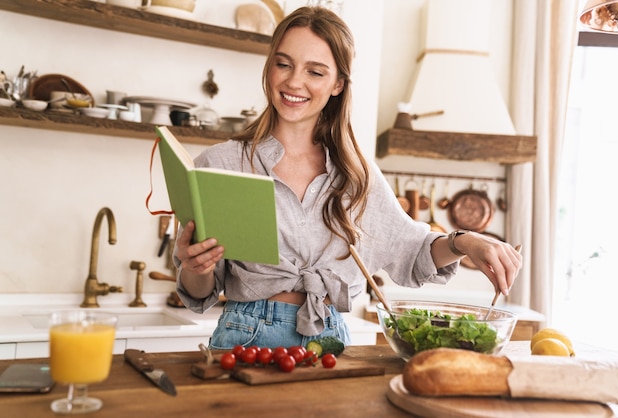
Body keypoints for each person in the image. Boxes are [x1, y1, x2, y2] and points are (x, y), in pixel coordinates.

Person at [174, 6, 522, 350]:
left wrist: (466, 241)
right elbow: (199, 293)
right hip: (244, 336)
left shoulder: (357, 176)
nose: (294, 81)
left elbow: (412, 251)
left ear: (338, 84)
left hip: (329, 341)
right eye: (283, 64)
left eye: (315, 72)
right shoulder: (218, 163)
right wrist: (196, 266)